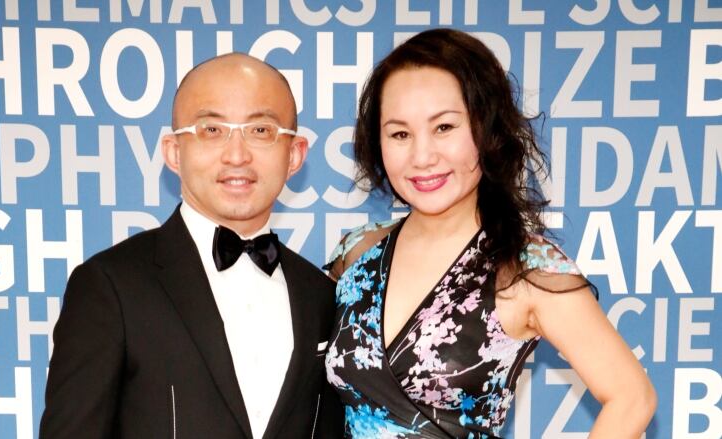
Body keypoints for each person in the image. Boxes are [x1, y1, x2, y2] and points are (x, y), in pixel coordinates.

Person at [324, 29, 656, 439]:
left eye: (444, 127)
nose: (422, 156)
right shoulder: (359, 251)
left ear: (487, 129)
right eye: (400, 134)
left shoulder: (525, 268)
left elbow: (632, 397)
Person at [40, 53, 342, 439]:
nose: (237, 155)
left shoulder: (322, 297)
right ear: (173, 152)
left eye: (261, 130)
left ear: (295, 154)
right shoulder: (110, 286)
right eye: (212, 130)